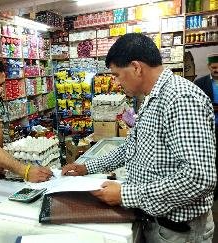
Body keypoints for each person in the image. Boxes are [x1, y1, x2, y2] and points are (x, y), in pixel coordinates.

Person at [62, 33, 216, 242]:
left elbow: (198, 178)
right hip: (155, 223)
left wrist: (126, 194)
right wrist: (87, 167)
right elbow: (131, 147)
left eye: (116, 75)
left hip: (178, 232)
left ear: (136, 67)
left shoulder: (181, 99)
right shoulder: (152, 98)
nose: (115, 82)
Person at [195, 53, 218, 200]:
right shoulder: (200, 83)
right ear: (209, 67)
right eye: (214, 67)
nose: (217, 70)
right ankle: (212, 192)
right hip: (208, 128)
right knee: (211, 158)